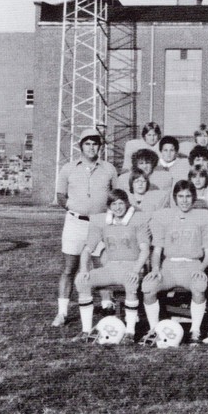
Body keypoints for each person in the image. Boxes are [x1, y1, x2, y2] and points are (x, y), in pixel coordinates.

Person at [53, 128, 119, 327]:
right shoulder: (68, 168)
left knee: (102, 265)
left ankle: (107, 305)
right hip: (75, 223)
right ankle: (62, 313)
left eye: (95, 144)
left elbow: (116, 196)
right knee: (69, 268)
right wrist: (74, 209)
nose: (91, 147)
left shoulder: (109, 168)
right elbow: (60, 196)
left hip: (100, 223)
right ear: (81, 146)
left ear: (100, 146)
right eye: (87, 144)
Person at [141, 180, 208, 345]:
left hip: (193, 264)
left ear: (194, 198)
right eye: (180, 196)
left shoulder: (204, 217)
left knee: (199, 285)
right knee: (148, 286)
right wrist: (155, 268)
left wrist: (202, 268)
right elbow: (157, 250)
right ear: (174, 198)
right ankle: (154, 329)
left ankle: (195, 330)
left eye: (188, 196)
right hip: (169, 267)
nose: (184, 200)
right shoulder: (164, 217)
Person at [73, 189, 150, 342]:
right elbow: (87, 249)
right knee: (82, 281)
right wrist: (83, 269)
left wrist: (135, 270)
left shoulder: (138, 220)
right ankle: (86, 331)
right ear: (109, 206)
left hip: (132, 266)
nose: (118, 207)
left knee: (130, 281)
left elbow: (145, 250)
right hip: (111, 267)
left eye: (121, 203)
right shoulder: (101, 222)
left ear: (127, 204)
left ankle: (130, 332)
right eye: (114, 204)